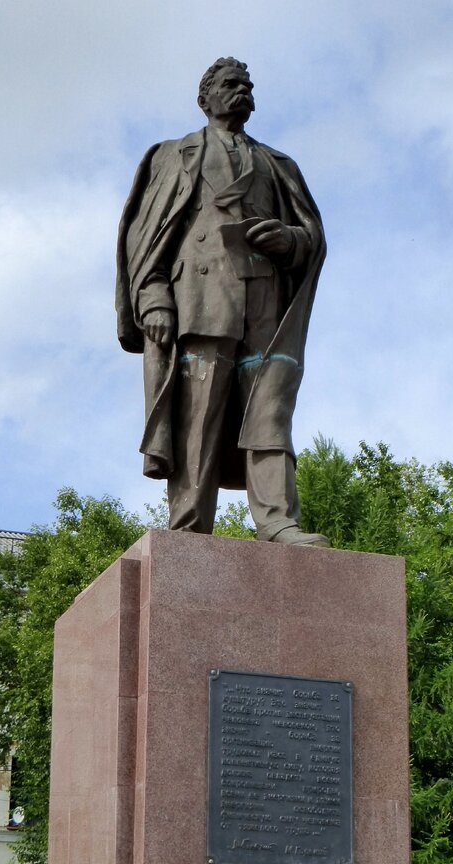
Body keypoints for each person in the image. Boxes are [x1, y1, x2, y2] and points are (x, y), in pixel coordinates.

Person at [116, 57, 329, 546]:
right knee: (198, 414)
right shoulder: (172, 155)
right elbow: (145, 238)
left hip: (264, 303)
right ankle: (189, 526)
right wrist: (153, 299)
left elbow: (312, 236)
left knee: (271, 410)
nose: (243, 92)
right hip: (200, 299)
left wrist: (289, 240)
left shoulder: (278, 164)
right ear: (205, 97)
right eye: (232, 85)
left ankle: (277, 520)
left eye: (249, 86)